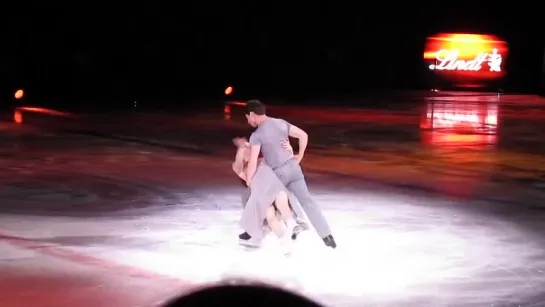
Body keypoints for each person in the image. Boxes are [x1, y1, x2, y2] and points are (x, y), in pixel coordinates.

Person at [243, 100, 337, 248]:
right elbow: (303, 135)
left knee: (259, 197)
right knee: (308, 202)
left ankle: (250, 233)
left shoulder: (257, 135)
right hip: (294, 169)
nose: (248, 121)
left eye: (248, 117)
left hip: (280, 173)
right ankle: (327, 236)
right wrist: (299, 156)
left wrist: (249, 179)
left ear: (253, 114)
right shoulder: (280, 123)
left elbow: (253, 161)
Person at [232, 137, 305, 254]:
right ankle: (283, 239)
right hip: (262, 198)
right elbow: (237, 163)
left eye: (249, 149)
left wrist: (289, 150)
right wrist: (241, 148)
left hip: (275, 191)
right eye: (245, 152)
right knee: (271, 217)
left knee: (281, 197)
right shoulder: (243, 170)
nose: (248, 151)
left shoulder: (264, 161)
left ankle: (292, 224)